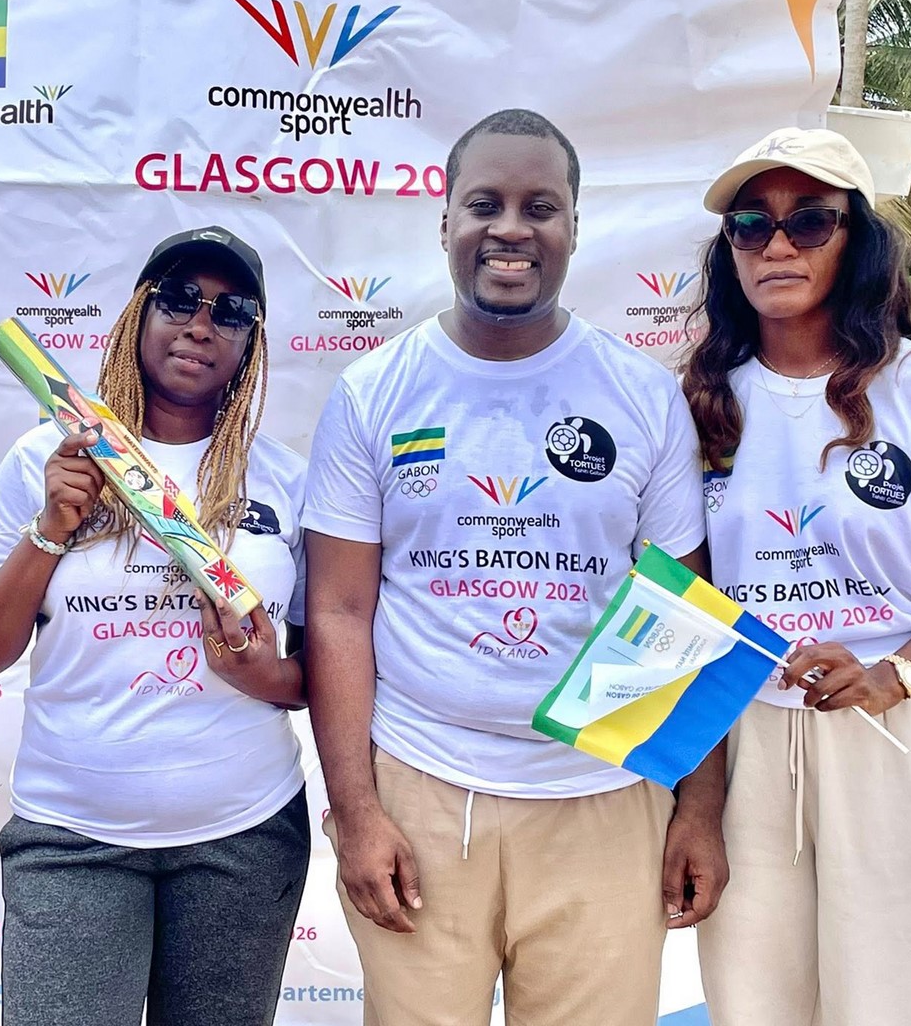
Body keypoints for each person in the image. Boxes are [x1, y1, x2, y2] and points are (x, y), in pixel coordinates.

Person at [301, 108, 721, 1026]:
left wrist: (698, 809)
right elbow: (336, 612)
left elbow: (684, 610)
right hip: (419, 789)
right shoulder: (374, 392)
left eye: (541, 207)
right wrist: (357, 813)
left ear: (574, 226)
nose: (511, 228)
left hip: (605, 798)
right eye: (485, 203)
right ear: (445, 221)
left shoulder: (642, 396)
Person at [681, 126, 911, 1026]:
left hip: (888, 735)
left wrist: (893, 675)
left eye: (809, 221)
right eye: (752, 224)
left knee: (894, 1003)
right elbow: (688, 602)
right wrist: (694, 801)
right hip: (743, 735)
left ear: (855, 238)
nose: (777, 244)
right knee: (754, 1005)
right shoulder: (702, 399)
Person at [0, 226, 310, 1026]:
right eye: (179, 300)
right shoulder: (49, 458)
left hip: (244, 839)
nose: (200, 325)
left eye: (231, 312)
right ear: (138, 313)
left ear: (251, 345)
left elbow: (329, 665)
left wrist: (266, 674)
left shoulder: (286, 479)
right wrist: (50, 530)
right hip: (73, 836)